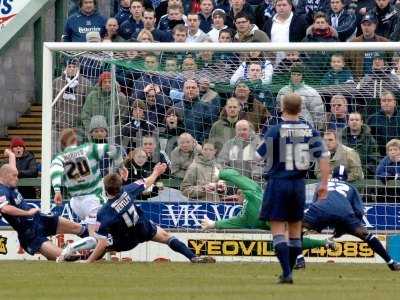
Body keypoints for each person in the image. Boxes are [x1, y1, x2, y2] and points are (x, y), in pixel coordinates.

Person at [255, 93, 330, 284]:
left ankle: (287, 272)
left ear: (282, 107)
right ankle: (288, 272)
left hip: (278, 183)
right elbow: (323, 157)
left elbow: (258, 156)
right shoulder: (310, 131)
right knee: (296, 231)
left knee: (278, 230)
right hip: (298, 184)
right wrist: (323, 184)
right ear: (301, 109)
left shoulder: (275, 130)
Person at [76, 164, 215, 263]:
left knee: (102, 247)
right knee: (167, 237)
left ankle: (78, 258)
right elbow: (146, 183)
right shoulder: (128, 190)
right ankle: (193, 257)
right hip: (143, 228)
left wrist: (89, 261)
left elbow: (101, 243)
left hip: (125, 241)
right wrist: (156, 172)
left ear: (105, 189)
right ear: (120, 186)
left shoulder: (104, 213)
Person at [201, 168, 335, 252]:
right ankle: (323, 242)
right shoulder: (246, 215)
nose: (236, 196)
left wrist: (221, 175)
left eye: (238, 193)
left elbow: (238, 179)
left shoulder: (253, 193)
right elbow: (232, 223)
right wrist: (213, 224)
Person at [300, 165, 400, 271]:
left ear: (332, 175)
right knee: (367, 236)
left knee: (297, 229)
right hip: (344, 213)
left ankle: (299, 260)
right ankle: (391, 262)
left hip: (320, 210)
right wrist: (347, 227)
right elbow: (359, 211)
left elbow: (315, 204)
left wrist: (315, 225)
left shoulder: (321, 184)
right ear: (346, 178)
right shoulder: (351, 187)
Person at [0, 150, 88, 260]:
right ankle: (86, 259)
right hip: (28, 232)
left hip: (39, 218)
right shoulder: (1, 190)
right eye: (15, 176)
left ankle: (102, 244)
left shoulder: (9, 181)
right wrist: (27, 213)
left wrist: (11, 154)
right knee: (65, 257)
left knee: (78, 228)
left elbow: (11, 168)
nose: (17, 179)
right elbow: (5, 208)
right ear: (5, 176)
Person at [51, 128, 126, 237]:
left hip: (76, 204)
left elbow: (55, 172)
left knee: (97, 232)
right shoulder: (88, 148)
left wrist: (57, 190)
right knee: (102, 233)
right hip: (93, 200)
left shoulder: (59, 157)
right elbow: (113, 149)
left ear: (62, 143)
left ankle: (90, 239)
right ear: (76, 139)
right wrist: (121, 166)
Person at [276, 63, 325, 130]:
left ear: (303, 76)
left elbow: (318, 114)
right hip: (285, 128)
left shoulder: (311, 93)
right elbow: (279, 111)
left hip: (305, 129)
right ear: (290, 75)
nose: (296, 77)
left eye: (298, 75)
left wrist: (317, 129)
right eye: (293, 74)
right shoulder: (282, 91)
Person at [341, 112, 380, 177]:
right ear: (348, 122)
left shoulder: (370, 139)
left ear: (361, 122)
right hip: (343, 174)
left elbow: (375, 159)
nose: (354, 122)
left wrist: (362, 172)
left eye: (357, 120)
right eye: (352, 120)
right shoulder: (340, 138)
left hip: (364, 176)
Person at [367, 91, 400, 156]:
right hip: (379, 155)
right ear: (380, 103)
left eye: (389, 100)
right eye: (384, 101)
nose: (386, 103)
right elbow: (368, 139)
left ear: (395, 102)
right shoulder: (372, 119)